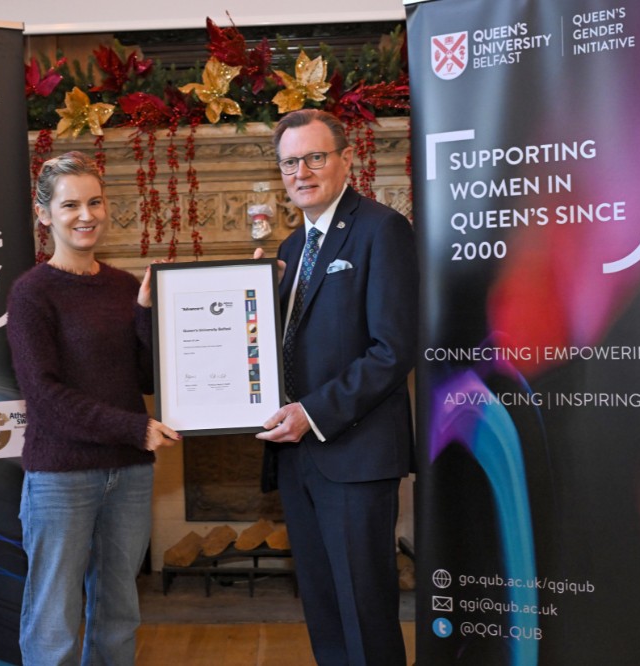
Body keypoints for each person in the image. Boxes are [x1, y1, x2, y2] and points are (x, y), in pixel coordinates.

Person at [255, 109, 419, 665]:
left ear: (346, 159)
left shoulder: (382, 230)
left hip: (355, 455)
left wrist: (311, 413)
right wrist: (252, 298)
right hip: (296, 458)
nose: (300, 173)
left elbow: (392, 350)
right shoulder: (289, 251)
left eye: (314, 158)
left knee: (364, 614)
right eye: (289, 163)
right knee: (324, 608)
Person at [6, 151, 181, 666]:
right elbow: (45, 397)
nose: (87, 215)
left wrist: (145, 313)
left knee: (119, 611)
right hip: (61, 477)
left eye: (96, 202)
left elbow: (146, 379)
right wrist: (134, 429)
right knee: (54, 619)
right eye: (70, 205)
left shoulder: (125, 286)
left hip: (129, 474)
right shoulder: (31, 294)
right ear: (44, 215)